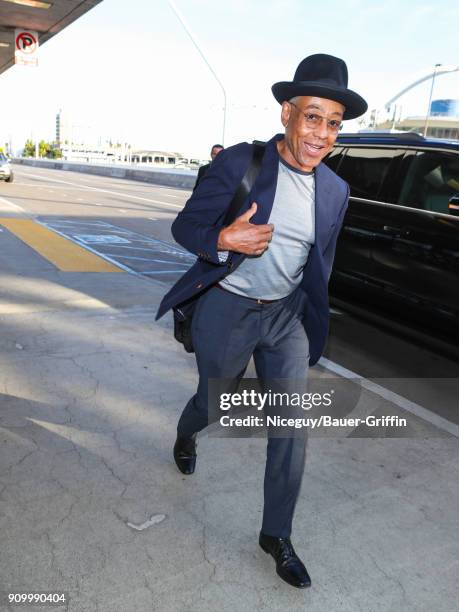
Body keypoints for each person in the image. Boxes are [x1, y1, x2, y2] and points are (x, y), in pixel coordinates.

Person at [156, 53, 367, 589]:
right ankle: (187, 434)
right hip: (228, 307)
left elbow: (321, 261)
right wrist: (222, 240)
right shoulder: (242, 165)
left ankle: (276, 535)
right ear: (287, 114)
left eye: (333, 123)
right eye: (312, 116)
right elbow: (187, 226)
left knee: (292, 428)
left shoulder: (337, 191)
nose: (322, 133)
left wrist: (312, 314)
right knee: (214, 401)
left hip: (285, 317)